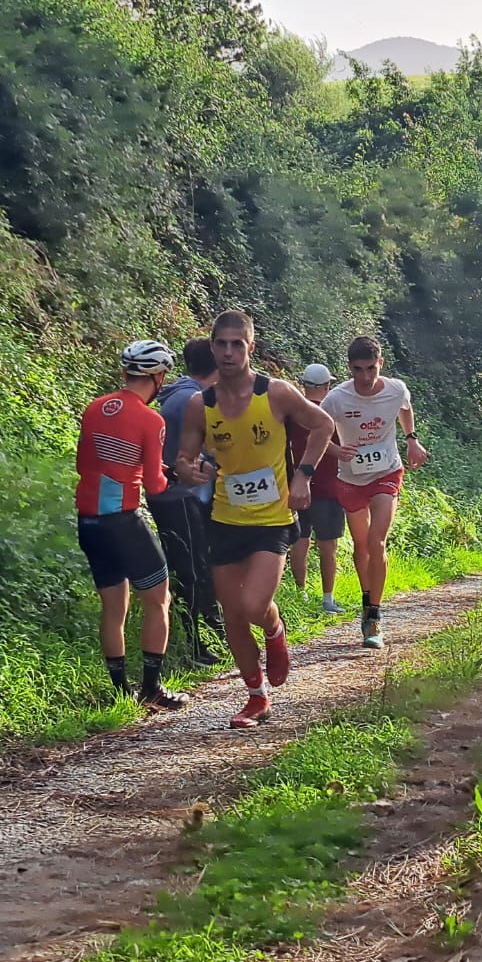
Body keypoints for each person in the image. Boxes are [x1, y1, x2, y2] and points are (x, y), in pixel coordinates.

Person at [176, 311, 336, 728]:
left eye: (237, 344)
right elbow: (183, 458)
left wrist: (303, 476)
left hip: (273, 517)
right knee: (231, 613)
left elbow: (323, 424)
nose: (228, 352)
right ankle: (255, 696)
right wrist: (188, 470)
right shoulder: (201, 404)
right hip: (226, 517)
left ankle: (275, 628)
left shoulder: (276, 393)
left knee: (252, 606)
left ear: (250, 346)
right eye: (221, 344)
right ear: (211, 348)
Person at [75, 340, 192, 712]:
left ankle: (119, 691)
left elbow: (83, 463)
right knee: (159, 599)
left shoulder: (94, 408)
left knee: (113, 607)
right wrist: (170, 478)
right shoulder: (150, 419)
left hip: (88, 521)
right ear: (158, 377)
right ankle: (152, 688)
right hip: (123, 520)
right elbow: (155, 484)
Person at [320, 337, 428, 649]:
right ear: (349, 368)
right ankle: (366, 597)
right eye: (358, 370)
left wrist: (411, 439)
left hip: (386, 471)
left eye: (371, 369)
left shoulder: (396, 389)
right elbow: (317, 433)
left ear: (380, 364)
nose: (365, 377)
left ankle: (373, 615)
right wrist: (336, 449)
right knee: (361, 546)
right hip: (351, 478)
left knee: (377, 541)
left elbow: (405, 409)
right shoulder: (337, 399)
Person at [146, 338, 222, 666]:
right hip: (178, 496)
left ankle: (207, 631)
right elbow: (210, 449)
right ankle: (192, 646)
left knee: (195, 566)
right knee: (189, 570)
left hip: (176, 494)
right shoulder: (191, 400)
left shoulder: (178, 394)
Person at [287, 363, 350, 615]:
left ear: (303, 384)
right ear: (327, 386)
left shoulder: (293, 413)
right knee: (328, 545)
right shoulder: (330, 414)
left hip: (297, 486)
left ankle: (300, 593)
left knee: (300, 541)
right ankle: (327, 598)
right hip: (328, 488)